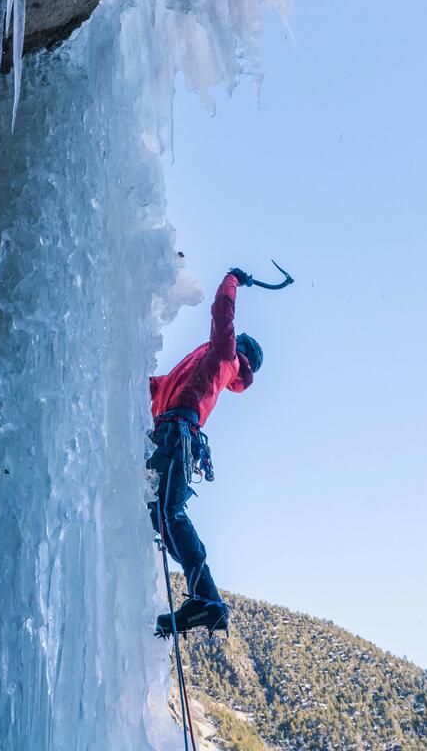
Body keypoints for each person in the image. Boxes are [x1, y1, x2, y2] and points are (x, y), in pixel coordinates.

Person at [147, 268, 264, 637]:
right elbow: (154, 386)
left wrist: (232, 279)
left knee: (167, 511)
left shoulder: (223, 357)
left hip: (176, 433)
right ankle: (203, 597)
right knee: (159, 513)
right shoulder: (193, 369)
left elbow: (222, 313)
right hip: (171, 433)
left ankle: (207, 600)